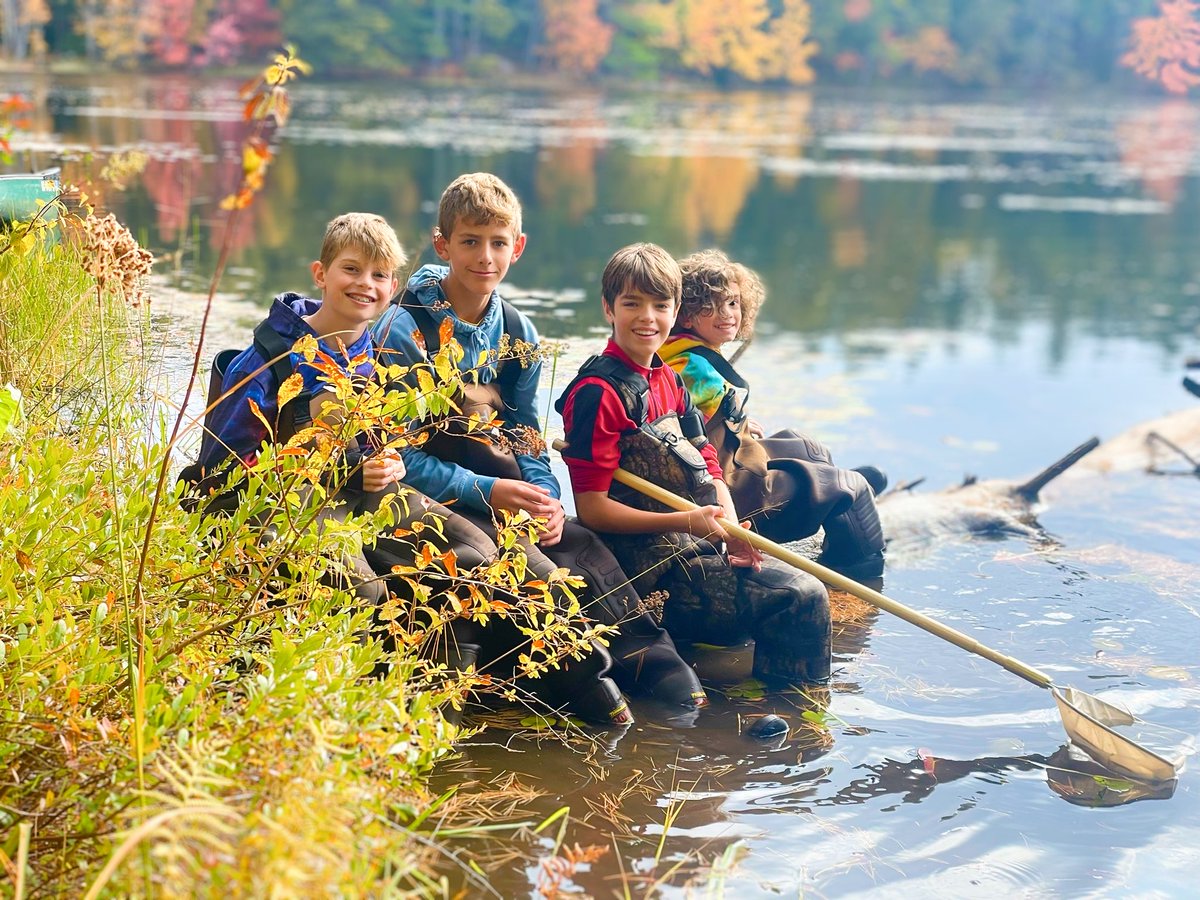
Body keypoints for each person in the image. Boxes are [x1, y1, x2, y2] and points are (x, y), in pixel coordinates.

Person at [185, 212, 616, 726]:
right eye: (351, 270)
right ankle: (368, 716)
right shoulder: (269, 361)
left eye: (379, 275)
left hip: (366, 493)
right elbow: (223, 470)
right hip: (286, 502)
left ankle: (485, 697)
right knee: (362, 587)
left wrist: (384, 457)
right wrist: (340, 472)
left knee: (479, 553)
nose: (365, 285)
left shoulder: (374, 353)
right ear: (320, 274)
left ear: (394, 286)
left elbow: (390, 441)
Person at [374, 173, 707, 717]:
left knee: (581, 548)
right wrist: (492, 492)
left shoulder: (517, 328)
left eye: (498, 243)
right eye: (470, 242)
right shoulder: (402, 331)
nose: (486, 257)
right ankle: (591, 687)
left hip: (498, 483)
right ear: (442, 245)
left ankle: (652, 660)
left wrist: (546, 498)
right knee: (533, 570)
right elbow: (398, 456)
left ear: (518, 247)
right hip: (433, 493)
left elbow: (527, 435)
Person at [555, 243, 831, 686]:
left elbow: (708, 464)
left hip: (694, 547)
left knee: (792, 584)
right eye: (632, 304)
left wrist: (737, 533)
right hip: (647, 573)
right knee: (800, 596)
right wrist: (690, 521)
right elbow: (592, 510)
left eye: (660, 305)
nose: (647, 317)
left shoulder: (668, 378)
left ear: (675, 309)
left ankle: (773, 711)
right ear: (608, 308)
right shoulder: (597, 393)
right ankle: (796, 725)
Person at [659, 249, 886, 579]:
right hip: (723, 484)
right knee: (852, 487)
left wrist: (737, 420)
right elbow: (691, 426)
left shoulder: (681, 350)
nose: (728, 314)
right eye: (712, 305)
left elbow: (702, 414)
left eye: (734, 303)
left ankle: (831, 497)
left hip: (730, 455)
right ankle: (855, 565)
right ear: (687, 314)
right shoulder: (690, 368)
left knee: (805, 446)